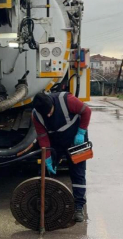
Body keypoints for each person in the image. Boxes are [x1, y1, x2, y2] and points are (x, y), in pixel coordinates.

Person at [31, 91, 92, 222]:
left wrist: (81, 132)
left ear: (52, 103)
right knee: (45, 171)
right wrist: (47, 156)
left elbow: (86, 111)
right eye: (45, 114)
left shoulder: (67, 100)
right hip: (56, 142)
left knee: (78, 173)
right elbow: (42, 136)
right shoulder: (36, 115)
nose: (47, 115)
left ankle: (79, 206)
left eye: (50, 112)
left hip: (77, 139)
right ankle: (45, 204)